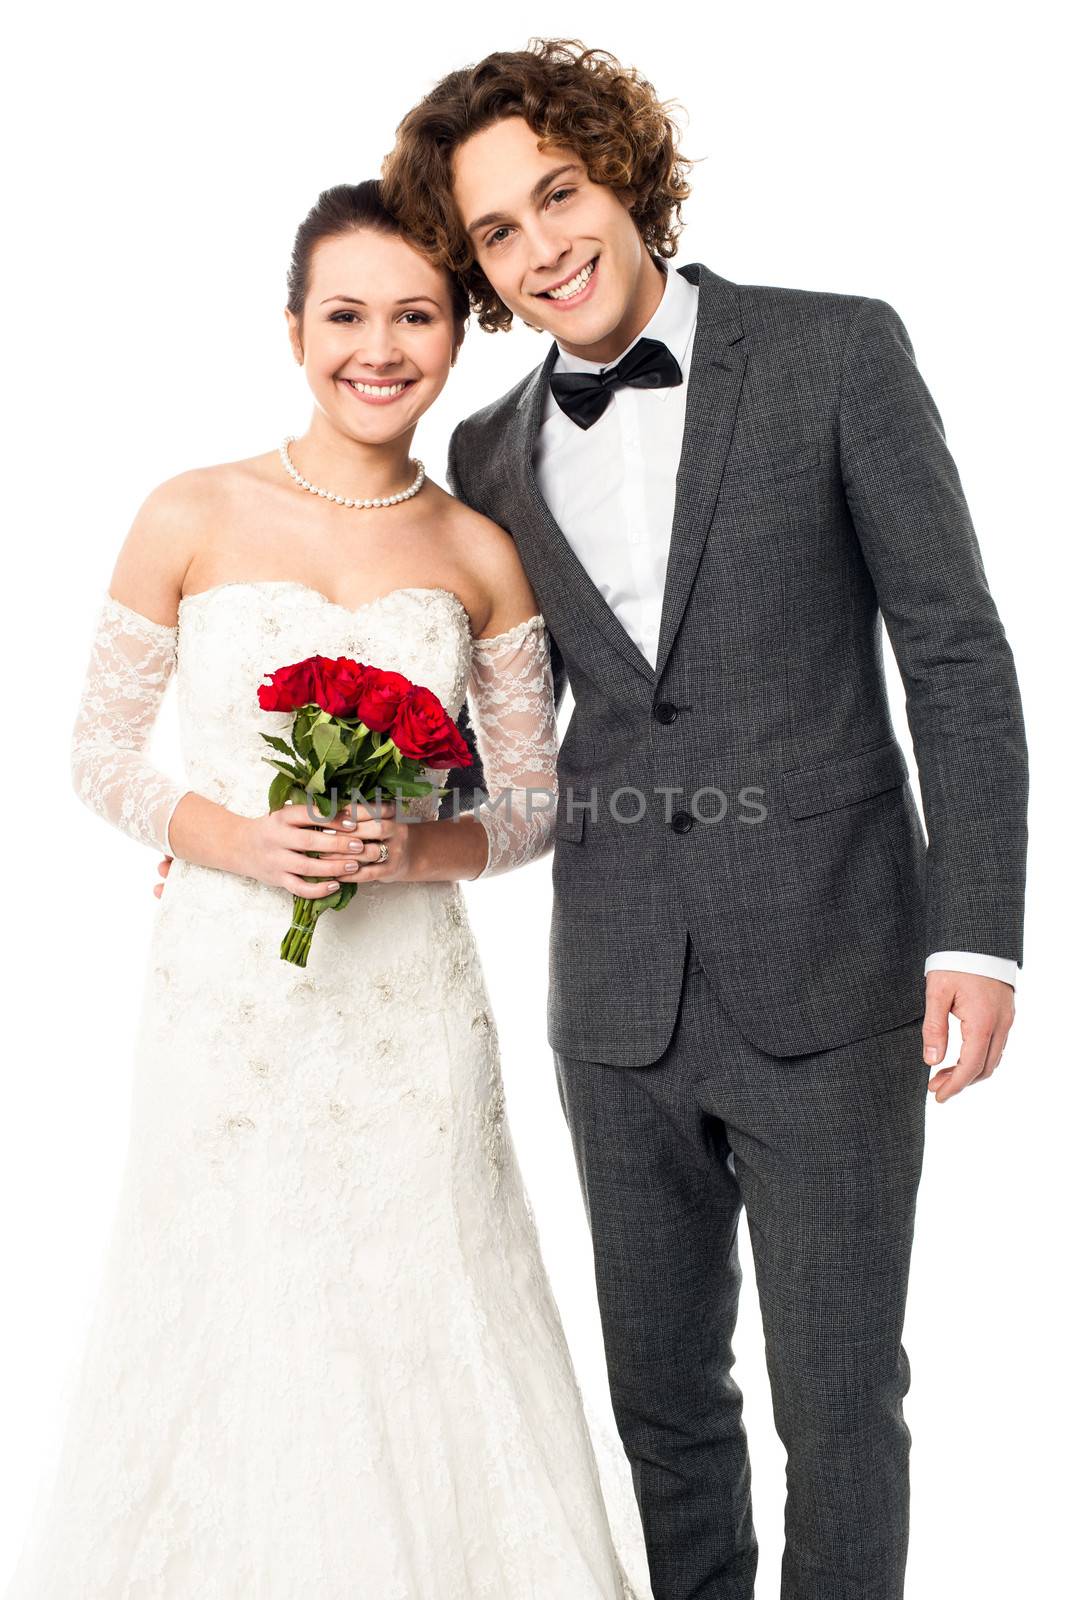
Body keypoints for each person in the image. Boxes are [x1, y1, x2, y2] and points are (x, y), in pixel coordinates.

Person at [376, 37, 1030, 1600]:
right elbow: (503, 738)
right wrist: (330, 804)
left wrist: (978, 934)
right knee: (664, 1407)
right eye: (497, 235)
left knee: (838, 1406)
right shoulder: (486, 455)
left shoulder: (832, 352)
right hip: (612, 993)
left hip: (836, 964)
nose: (544, 250)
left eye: (560, 194)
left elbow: (952, 648)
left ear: (620, 174)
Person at [5, 180, 651, 1599]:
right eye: (345, 313)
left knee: (422, 1300)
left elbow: (533, 801)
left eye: (414, 315)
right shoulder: (188, 510)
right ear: (293, 329)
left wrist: (416, 850)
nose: (379, 346)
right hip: (231, 996)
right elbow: (98, 750)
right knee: (230, 1296)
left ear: (453, 335)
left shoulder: (479, 551)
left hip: (408, 1010)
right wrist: (231, 837)